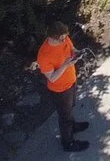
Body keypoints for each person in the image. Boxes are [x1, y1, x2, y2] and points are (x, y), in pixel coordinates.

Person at [33, 24, 88, 152]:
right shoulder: (44, 55)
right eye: (62, 38)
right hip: (60, 91)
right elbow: (51, 78)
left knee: (70, 108)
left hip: (71, 82)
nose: (65, 40)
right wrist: (65, 65)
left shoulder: (65, 39)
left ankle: (73, 126)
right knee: (65, 118)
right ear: (52, 37)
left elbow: (72, 48)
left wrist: (76, 53)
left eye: (65, 37)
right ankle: (68, 143)